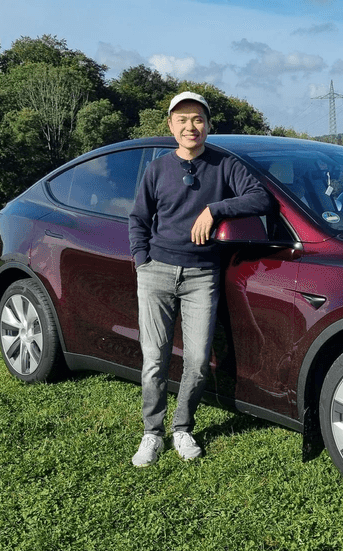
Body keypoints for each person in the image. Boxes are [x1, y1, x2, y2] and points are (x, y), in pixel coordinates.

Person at [128, 91, 272, 467]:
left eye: (198, 120)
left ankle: (183, 427)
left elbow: (261, 199)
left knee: (195, 360)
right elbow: (139, 219)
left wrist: (216, 208)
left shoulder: (226, 166)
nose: (191, 127)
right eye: (183, 120)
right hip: (156, 272)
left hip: (201, 276)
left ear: (208, 125)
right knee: (154, 360)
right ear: (171, 126)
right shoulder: (157, 169)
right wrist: (142, 262)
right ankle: (151, 433)